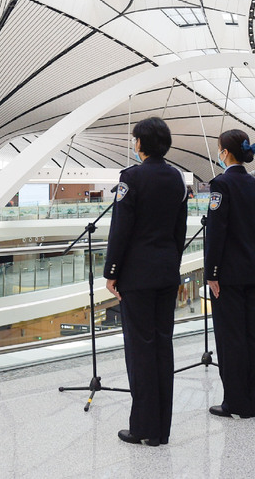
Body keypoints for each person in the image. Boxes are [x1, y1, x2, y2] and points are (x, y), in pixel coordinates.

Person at [104, 117, 188, 446]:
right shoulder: (177, 179)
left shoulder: (131, 178)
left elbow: (120, 228)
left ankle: (142, 427)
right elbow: (180, 231)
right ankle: (160, 430)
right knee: (162, 347)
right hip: (167, 272)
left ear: (141, 143)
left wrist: (112, 270)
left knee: (140, 350)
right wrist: (172, 263)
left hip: (137, 275)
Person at [205, 129, 255, 419]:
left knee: (231, 338)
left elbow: (216, 232)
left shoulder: (221, 184)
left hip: (228, 275)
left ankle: (235, 401)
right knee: (254, 335)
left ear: (225, 152)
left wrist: (211, 272)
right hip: (253, 272)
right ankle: (253, 400)